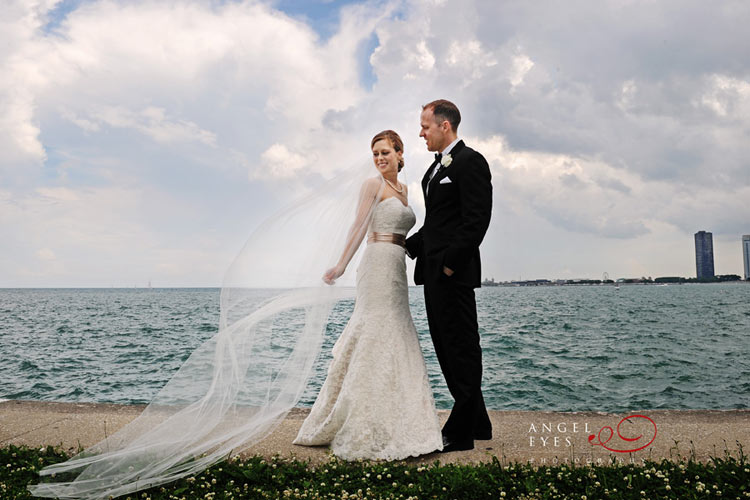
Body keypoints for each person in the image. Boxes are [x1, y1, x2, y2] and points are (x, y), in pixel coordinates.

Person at [293, 130, 443, 459]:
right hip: (375, 264)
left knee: (396, 331)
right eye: (375, 153)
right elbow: (358, 226)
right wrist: (341, 265)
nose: (379, 158)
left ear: (400, 155)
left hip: (397, 267)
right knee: (375, 330)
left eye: (386, 152)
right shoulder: (371, 186)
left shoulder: (405, 189)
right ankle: (359, 420)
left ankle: (399, 419)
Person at [405, 99, 493, 452]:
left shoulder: (470, 162)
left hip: (452, 275)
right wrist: (405, 245)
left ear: (445, 126)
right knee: (447, 347)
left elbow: (476, 222)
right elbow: (437, 224)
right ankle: (480, 422)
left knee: (461, 348)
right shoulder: (434, 168)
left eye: (425, 126)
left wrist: (449, 265)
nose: (421, 132)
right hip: (434, 273)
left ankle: (460, 432)